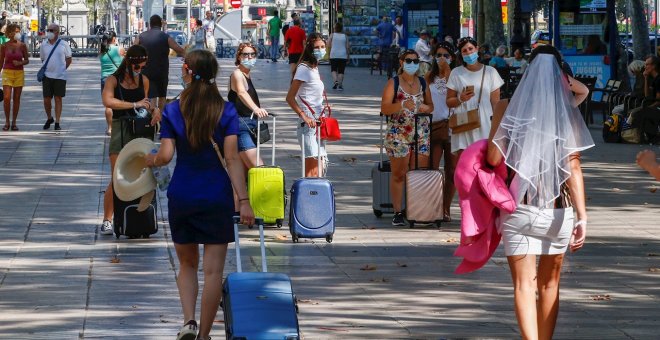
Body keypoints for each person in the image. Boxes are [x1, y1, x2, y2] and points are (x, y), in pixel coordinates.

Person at [144, 49, 255, 340]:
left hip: (183, 195)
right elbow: (232, 159)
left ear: (188, 71)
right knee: (214, 272)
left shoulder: (171, 109)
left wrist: (150, 160)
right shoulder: (226, 110)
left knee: (187, 264)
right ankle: (204, 335)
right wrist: (243, 201)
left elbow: (166, 155)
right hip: (216, 196)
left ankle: (189, 321)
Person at [485, 44, 592, 340]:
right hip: (558, 210)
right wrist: (582, 217)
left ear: (527, 69)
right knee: (549, 285)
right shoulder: (566, 110)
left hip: (518, 208)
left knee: (523, 285)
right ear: (560, 73)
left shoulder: (506, 106)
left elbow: (494, 159)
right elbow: (574, 168)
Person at [100, 45, 160, 235]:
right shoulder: (113, 80)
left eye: (143, 67)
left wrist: (155, 110)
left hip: (140, 132)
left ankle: (140, 219)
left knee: (142, 175)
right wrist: (133, 104)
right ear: (129, 63)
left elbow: (147, 103)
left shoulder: (144, 80)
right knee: (117, 177)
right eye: (137, 67)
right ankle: (107, 219)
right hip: (121, 130)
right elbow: (107, 101)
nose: (139, 70)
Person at [379, 49, 434, 226]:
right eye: (408, 60)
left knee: (418, 172)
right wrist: (401, 105)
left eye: (415, 61)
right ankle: (398, 211)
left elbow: (431, 105)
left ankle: (416, 209)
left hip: (421, 132)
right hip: (399, 133)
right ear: (401, 62)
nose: (412, 64)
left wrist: (427, 107)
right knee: (399, 173)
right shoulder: (393, 83)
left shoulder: (423, 83)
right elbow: (385, 108)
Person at [446, 36, 503, 159]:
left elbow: (495, 103)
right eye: (464, 51)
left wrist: (498, 126)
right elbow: (449, 101)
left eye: (470, 49)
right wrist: (460, 98)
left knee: (483, 161)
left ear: (477, 49)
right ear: (461, 54)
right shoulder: (456, 73)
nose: (468, 53)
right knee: (464, 164)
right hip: (463, 122)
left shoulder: (490, 72)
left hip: (485, 122)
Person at [285, 33, 329, 178]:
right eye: (317, 47)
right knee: (313, 171)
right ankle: (311, 198)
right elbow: (290, 97)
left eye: (323, 47)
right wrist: (303, 116)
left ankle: (317, 199)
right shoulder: (304, 68)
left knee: (320, 167)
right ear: (310, 48)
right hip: (308, 123)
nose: (321, 50)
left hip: (318, 121)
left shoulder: (314, 68)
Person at [425, 41, 456, 222]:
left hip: (454, 127)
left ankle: (446, 208)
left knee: (452, 170)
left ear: (452, 58)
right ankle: (433, 206)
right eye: (439, 55)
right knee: (433, 169)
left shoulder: (457, 76)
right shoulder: (429, 77)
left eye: (446, 55)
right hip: (435, 125)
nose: (442, 59)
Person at [228, 43, 268, 172]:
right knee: (259, 169)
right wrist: (256, 109)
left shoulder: (246, 75)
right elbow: (241, 92)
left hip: (250, 124)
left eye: (252, 54)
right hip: (241, 125)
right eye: (245, 54)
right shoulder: (237, 74)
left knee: (245, 173)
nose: (249, 57)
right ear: (239, 57)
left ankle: (241, 192)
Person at [135, 15, 185, 110]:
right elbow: (179, 50)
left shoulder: (141, 37)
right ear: (160, 24)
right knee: (162, 96)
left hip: (146, 72)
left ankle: (151, 119)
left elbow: (132, 51)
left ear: (150, 24)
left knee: (149, 96)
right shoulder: (166, 37)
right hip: (161, 72)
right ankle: (161, 118)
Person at [40, 23, 72, 131]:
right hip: (47, 76)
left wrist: (62, 69)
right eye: (48, 29)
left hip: (60, 76)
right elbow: (42, 59)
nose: (49, 32)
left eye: (51, 30)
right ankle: (49, 118)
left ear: (57, 32)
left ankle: (57, 122)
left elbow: (69, 59)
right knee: (46, 99)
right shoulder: (43, 44)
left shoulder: (64, 44)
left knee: (58, 98)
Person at [0, 23, 27, 131]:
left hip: (19, 73)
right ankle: (7, 121)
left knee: (16, 98)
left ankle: (14, 122)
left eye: (18, 31)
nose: (17, 34)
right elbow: (1, 61)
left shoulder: (22, 45)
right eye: (15, 32)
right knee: (6, 98)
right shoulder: (4, 46)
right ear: (10, 33)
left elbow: (27, 59)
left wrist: (20, 63)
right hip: (7, 72)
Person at [99, 31, 125, 135]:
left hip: (105, 79)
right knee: (120, 103)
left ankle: (110, 128)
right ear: (114, 38)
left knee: (108, 105)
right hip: (117, 79)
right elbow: (124, 63)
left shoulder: (102, 50)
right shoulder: (120, 49)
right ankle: (119, 126)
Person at [328, 22, 349, 91]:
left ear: (335, 28)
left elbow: (328, 45)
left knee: (333, 70)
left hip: (334, 55)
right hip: (343, 55)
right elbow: (347, 47)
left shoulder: (332, 35)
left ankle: (335, 81)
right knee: (341, 71)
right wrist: (348, 55)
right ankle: (340, 85)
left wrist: (329, 53)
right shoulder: (345, 36)